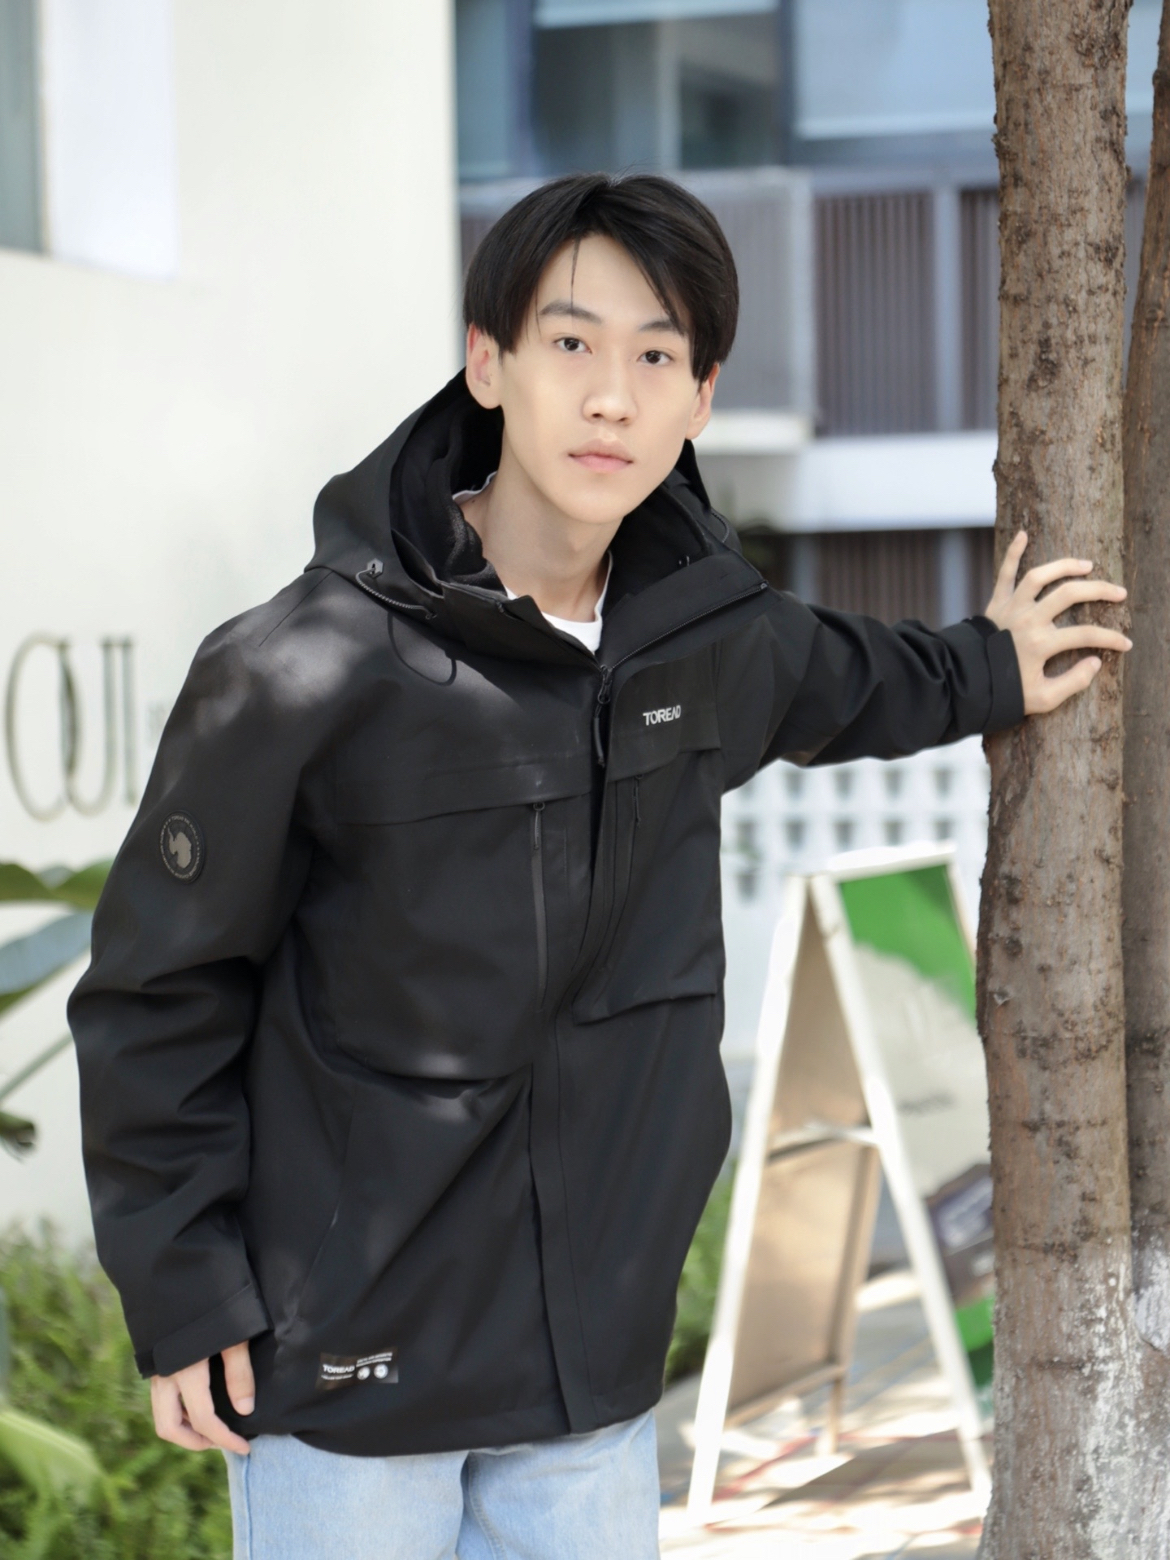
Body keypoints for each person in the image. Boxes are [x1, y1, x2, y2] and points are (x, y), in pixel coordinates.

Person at [68, 173, 1130, 1560]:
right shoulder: (300, 669)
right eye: (570, 343)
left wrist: (997, 662)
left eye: (656, 356)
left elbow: (864, 678)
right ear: (488, 364)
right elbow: (159, 988)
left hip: (592, 1382)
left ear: (701, 398)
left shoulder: (707, 641)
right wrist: (185, 1287)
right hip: (349, 1381)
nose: (611, 397)